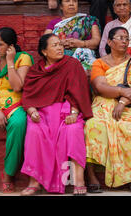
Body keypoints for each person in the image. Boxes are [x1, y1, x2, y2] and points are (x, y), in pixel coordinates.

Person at [20, 34, 93, 196]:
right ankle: (34, 181)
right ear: (44, 51)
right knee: (34, 132)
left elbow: (80, 91)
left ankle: (78, 180)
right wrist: (32, 111)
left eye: (61, 44)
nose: (60, 48)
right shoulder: (35, 70)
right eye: (54, 45)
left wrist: (74, 111)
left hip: (66, 112)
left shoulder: (72, 64)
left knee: (73, 131)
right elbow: (28, 95)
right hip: (41, 113)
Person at [85, 27, 131, 193]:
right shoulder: (99, 63)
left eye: (127, 38)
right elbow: (100, 87)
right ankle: (91, 175)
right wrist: (123, 91)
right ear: (109, 42)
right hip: (104, 103)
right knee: (93, 125)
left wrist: (123, 101)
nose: (124, 41)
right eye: (120, 37)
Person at [0, 28, 34, 194]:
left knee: (19, 123)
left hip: (16, 104)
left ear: (11, 46)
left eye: (0, 44)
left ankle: (8, 175)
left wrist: (10, 61)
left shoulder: (23, 58)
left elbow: (18, 86)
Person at [44, 0, 101, 71]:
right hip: (60, 55)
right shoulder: (54, 23)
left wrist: (81, 43)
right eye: (67, 1)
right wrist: (60, 43)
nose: (71, 4)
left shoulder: (88, 20)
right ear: (61, 6)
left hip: (83, 55)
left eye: (74, 1)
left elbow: (96, 41)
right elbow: (46, 41)